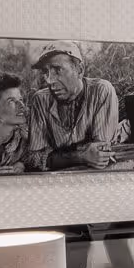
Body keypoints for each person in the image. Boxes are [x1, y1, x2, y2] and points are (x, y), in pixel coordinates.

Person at [24, 41, 120, 171]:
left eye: (58, 70)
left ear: (79, 70)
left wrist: (54, 157)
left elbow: (99, 154)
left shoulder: (101, 90)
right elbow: (35, 159)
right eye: (46, 72)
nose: (49, 81)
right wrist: (80, 155)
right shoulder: (40, 100)